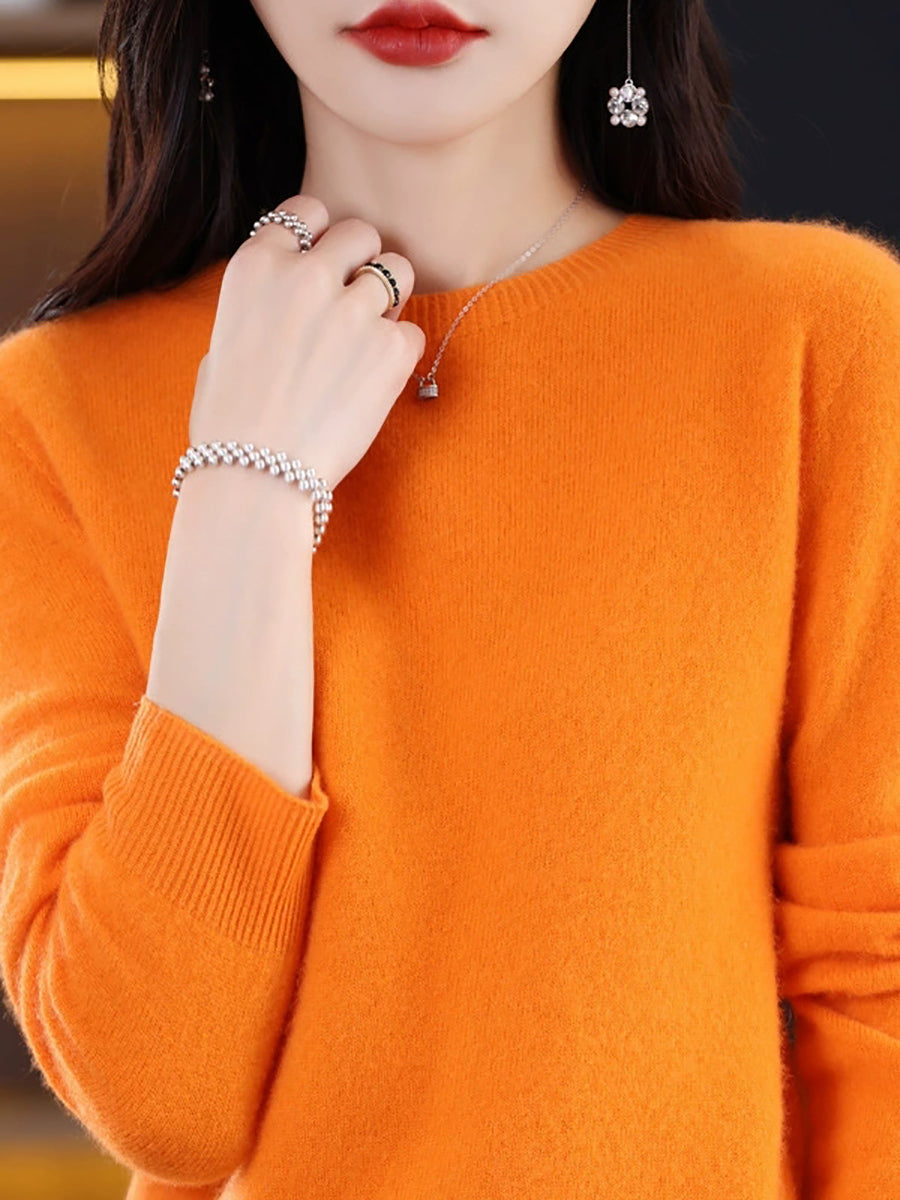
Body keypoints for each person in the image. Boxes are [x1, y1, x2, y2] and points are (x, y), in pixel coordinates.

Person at [0, 0, 898, 1197]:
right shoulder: (53, 412)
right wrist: (244, 490)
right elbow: (162, 1096)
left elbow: (879, 1000)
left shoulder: (819, 339)